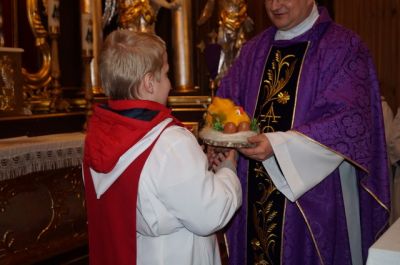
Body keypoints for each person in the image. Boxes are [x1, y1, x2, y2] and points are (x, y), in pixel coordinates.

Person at [213, 0, 391, 264]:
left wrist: (276, 145)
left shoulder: (343, 47)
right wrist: (218, 142)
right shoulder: (253, 51)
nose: (275, 5)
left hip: (314, 203)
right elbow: (226, 105)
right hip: (252, 198)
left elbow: (347, 121)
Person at [82, 29, 242, 265]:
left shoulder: (97, 134)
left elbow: (155, 185)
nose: (170, 85)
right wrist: (228, 169)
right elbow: (211, 214)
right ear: (149, 83)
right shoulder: (170, 142)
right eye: (166, 74)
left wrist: (198, 163)